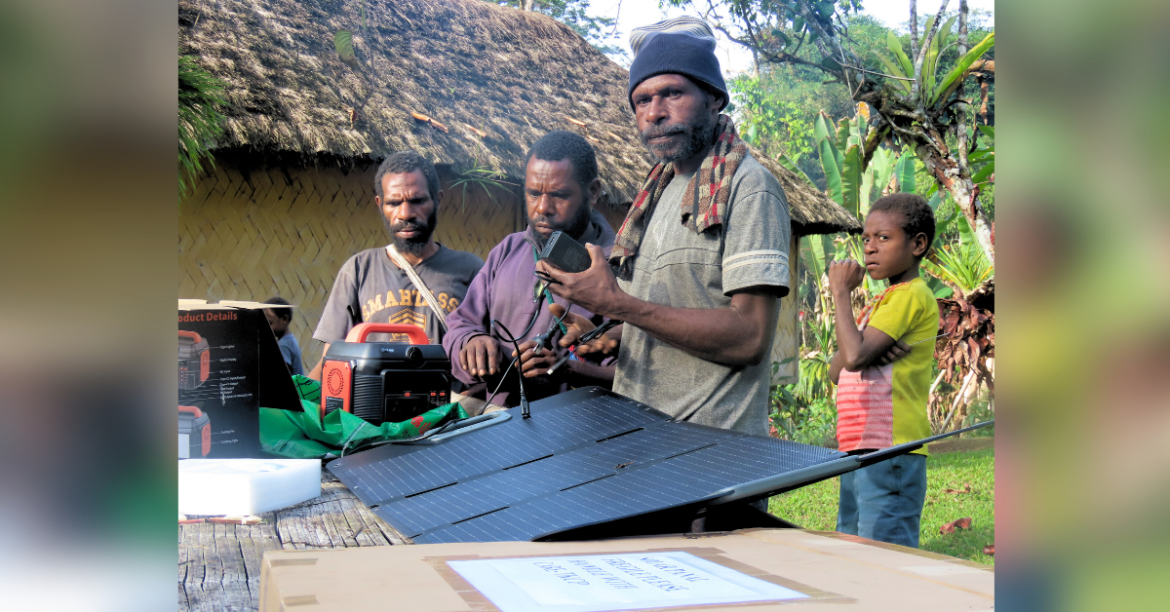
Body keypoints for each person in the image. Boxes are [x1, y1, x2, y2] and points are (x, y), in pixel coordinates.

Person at [536, 16, 789, 436]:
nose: (654, 112)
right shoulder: (657, 191)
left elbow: (749, 336)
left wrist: (620, 305)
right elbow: (676, 310)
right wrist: (609, 332)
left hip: (714, 457)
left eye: (672, 93)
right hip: (645, 439)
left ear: (713, 98)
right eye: (642, 100)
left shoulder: (748, 188)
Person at [443, 131, 616, 407]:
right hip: (496, 428)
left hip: (573, 437)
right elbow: (459, 325)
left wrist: (567, 370)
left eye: (559, 195)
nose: (543, 208)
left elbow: (633, 374)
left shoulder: (617, 269)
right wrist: (471, 341)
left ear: (592, 192)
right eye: (534, 193)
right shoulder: (507, 251)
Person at [827, 193, 939, 548]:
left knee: (885, 553)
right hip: (860, 449)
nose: (870, 249)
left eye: (883, 238)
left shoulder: (911, 295)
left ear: (917, 244)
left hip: (891, 450)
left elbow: (854, 358)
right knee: (855, 549)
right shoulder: (883, 303)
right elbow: (837, 369)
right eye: (866, 239)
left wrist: (840, 293)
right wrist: (859, 347)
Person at [309, 151, 483, 379]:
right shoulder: (358, 270)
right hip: (371, 410)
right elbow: (331, 361)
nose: (405, 213)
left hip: (450, 410)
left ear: (437, 200)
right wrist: (295, 405)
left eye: (417, 201)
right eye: (394, 203)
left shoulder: (471, 270)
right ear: (380, 205)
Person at [262, 296, 304, 376]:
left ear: (284, 319)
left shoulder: (283, 345)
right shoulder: (289, 340)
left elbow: (281, 376)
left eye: (270, 323)